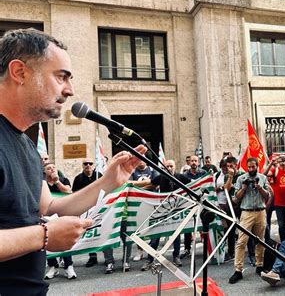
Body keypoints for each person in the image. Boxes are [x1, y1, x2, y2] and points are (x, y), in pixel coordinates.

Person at [0, 28, 146, 295]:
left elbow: (52, 206)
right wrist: (44, 236)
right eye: (61, 77)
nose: (70, 90)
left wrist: (108, 181)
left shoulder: (28, 146)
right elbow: (46, 227)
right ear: (19, 72)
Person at [141, 159, 189, 270]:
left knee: (175, 235)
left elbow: (193, 183)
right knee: (156, 235)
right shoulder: (161, 177)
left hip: (175, 211)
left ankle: (176, 256)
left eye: (171, 166)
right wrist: (136, 190)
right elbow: (151, 185)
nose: (169, 168)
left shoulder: (180, 177)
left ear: (175, 167)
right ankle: (150, 259)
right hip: (162, 210)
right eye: (166, 166)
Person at [228, 157, 270, 284]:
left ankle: (259, 265)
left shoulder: (262, 178)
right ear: (246, 167)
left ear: (257, 166)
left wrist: (259, 187)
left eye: (253, 167)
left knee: (260, 241)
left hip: (260, 211)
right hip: (246, 213)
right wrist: (244, 188)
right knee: (241, 241)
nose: (251, 169)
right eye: (249, 167)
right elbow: (236, 198)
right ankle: (238, 270)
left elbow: (267, 195)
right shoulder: (241, 179)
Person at [43, 162, 75, 280]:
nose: (51, 170)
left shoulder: (63, 179)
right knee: (47, 240)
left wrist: (57, 181)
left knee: (64, 239)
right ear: (44, 171)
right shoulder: (42, 183)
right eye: (48, 168)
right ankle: (53, 266)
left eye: (53, 167)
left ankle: (68, 266)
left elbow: (68, 191)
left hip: (62, 215)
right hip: (47, 216)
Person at [264, 156, 285, 242]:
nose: (282, 163)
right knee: (281, 225)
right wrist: (271, 163)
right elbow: (264, 174)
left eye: (284, 160)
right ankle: (283, 242)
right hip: (279, 203)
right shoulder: (275, 170)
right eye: (280, 161)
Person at [181, 155, 207, 259]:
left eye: (195, 161)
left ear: (198, 162)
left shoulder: (203, 173)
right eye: (192, 161)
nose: (194, 163)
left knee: (203, 223)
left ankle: (207, 247)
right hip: (190, 202)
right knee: (188, 226)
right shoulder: (185, 175)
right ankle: (187, 248)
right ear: (189, 162)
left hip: (201, 202)